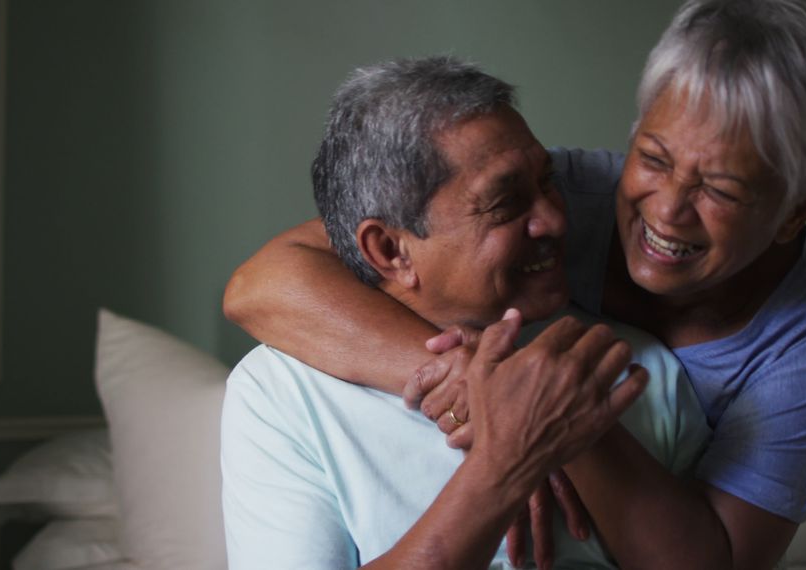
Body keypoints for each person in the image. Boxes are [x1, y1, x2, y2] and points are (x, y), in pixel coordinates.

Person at [223, 0, 806, 567]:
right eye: (651, 158)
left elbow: (717, 560)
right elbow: (266, 280)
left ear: (797, 210)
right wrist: (483, 390)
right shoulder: (570, 187)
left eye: (721, 190)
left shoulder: (795, 337)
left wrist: (553, 423)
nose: (665, 209)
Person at [221, 57, 710, 569]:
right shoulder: (279, 395)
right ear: (391, 250)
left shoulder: (638, 365)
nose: (555, 219)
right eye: (504, 204)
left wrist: (577, 423)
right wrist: (505, 466)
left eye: (548, 183)